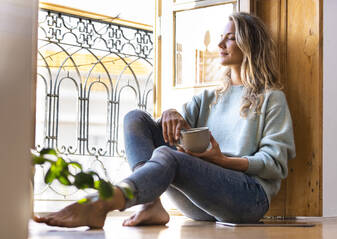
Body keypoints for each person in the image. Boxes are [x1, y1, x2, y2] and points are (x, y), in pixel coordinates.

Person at [34, 12, 295, 228]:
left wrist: (222, 160)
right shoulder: (208, 97)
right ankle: (150, 204)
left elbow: (274, 164)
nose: (220, 45)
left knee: (167, 156)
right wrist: (171, 112)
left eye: (230, 38)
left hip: (248, 199)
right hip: (201, 203)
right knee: (135, 118)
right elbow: (170, 133)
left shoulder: (272, 99)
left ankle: (106, 201)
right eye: (221, 38)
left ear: (250, 44)